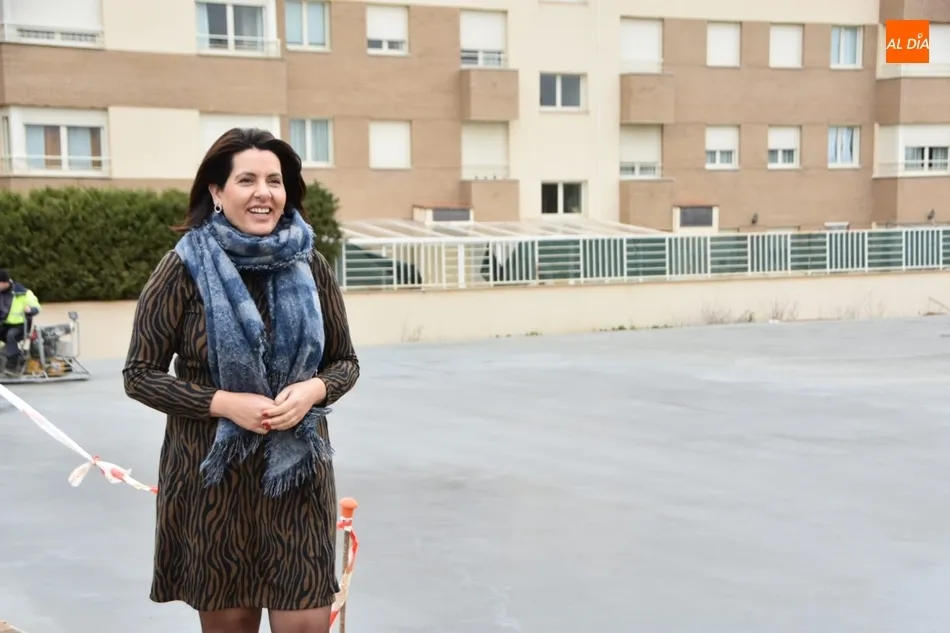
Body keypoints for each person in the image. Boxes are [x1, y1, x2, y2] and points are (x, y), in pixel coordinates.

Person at [122, 127, 360, 633]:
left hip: (296, 475)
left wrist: (314, 390)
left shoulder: (310, 263)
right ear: (216, 191)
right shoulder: (182, 268)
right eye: (247, 179)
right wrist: (224, 403)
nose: (263, 193)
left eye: (274, 181)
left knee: (306, 624)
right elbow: (139, 375)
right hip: (214, 480)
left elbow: (345, 362)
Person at [0, 268, 41, 374]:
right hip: (4, 324)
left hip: (21, 325)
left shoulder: (23, 293)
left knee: (11, 336)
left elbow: (37, 307)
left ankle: (13, 366)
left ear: (4, 282)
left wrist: (30, 310)